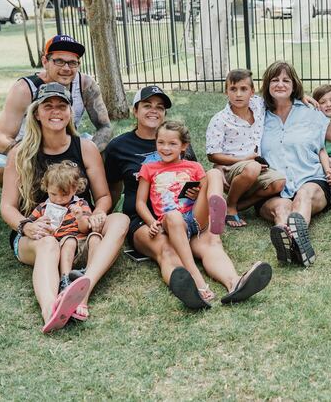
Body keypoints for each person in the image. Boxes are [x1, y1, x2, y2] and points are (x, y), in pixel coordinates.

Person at [104, 86, 269, 309]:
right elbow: (112, 188)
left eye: (159, 107)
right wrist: (103, 216)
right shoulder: (118, 147)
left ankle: (235, 283)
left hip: (188, 215)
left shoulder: (180, 145)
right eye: (147, 106)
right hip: (147, 222)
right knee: (167, 249)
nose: (153, 111)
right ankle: (192, 289)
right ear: (135, 110)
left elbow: (192, 176)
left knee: (211, 241)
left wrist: (196, 192)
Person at [0, 83, 129, 333]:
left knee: (120, 220)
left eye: (62, 106)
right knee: (48, 244)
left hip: (80, 232)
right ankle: (51, 309)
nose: (55, 111)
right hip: (40, 236)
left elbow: (103, 196)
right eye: (48, 106)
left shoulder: (85, 147)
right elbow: (7, 206)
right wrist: (26, 226)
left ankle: (82, 290)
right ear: (36, 113)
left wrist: (97, 214)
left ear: (70, 112)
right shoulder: (20, 153)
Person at [136, 119, 271, 307]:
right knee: (173, 215)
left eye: (172, 143)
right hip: (173, 223)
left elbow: (201, 187)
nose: (165, 148)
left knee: (214, 174)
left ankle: (216, 210)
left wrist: (200, 194)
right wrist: (152, 222)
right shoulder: (149, 168)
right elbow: (140, 203)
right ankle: (198, 281)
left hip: (196, 217)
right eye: (161, 143)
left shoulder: (193, 167)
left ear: (184, 146)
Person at [0, 34, 112, 187]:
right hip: (27, 147)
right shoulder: (24, 88)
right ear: (45, 61)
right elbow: (1, 139)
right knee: (0, 171)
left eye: (73, 62)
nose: (66, 68)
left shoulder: (85, 84)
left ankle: (101, 207)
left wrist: (83, 156)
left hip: (67, 145)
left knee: (110, 155)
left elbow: (105, 127)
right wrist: (38, 158)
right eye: (59, 61)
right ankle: (23, 204)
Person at [258, 61, 331, 268]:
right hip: (275, 185)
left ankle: (294, 240)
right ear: (267, 85)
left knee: (303, 195)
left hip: (310, 179)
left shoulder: (310, 112)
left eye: (286, 80)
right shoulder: (257, 114)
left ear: (294, 84)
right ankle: (289, 244)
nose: (280, 84)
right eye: (275, 80)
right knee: (281, 208)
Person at [205, 69, 286, 228]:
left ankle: (238, 205)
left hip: (256, 167)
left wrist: (303, 96)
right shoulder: (220, 120)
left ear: (252, 92)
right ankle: (232, 207)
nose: (238, 94)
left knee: (279, 182)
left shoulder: (258, 105)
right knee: (252, 167)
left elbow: (282, 98)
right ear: (226, 92)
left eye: (244, 89)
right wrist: (244, 159)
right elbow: (212, 155)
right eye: (233, 89)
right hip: (232, 169)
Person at [27, 160, 99, 292]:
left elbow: (85, 229)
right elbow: (30, 225)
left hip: (82, 244)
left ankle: (88, 272)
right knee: (70, 241)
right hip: (62, 248)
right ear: (46, 187)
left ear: (75, 188)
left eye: (64, 194)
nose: (59, 199)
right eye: (53, 194)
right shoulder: (43, 208)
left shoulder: (81, 205)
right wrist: (38, 223)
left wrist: (80, 217)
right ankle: (65, 279)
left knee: (96, 237)